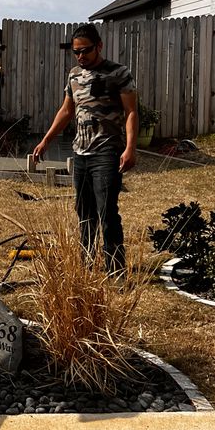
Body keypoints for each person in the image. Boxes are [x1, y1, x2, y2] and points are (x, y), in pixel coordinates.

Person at [32, 24, 138, 275]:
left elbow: (132, 111)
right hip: (80, 154)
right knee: (84, 211)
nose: (81, 56)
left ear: (99, 46)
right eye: (76, 52)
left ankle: (115, 270)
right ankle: (86, 264)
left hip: (107, 153)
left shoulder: (118, 73)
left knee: (107, 212)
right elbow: (67, 110)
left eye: (85, 51)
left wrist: (130, 148)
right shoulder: (74, 75)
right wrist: (46, 140)